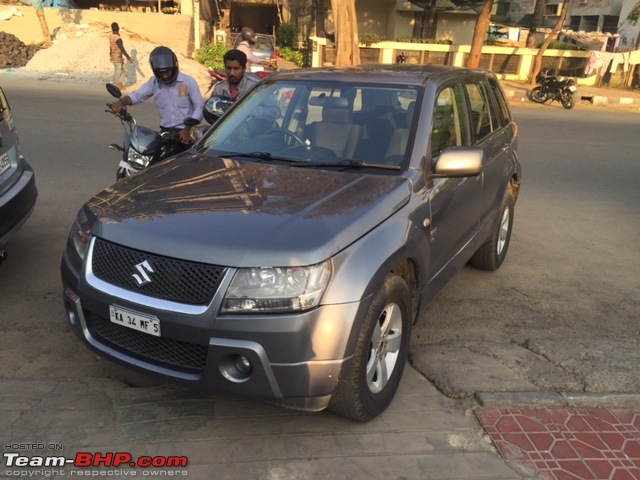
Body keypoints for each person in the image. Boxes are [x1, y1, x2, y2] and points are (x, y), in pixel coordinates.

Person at [110, 46, 204, 146]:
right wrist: (120, 102)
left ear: (174, 66)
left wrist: (187, 128)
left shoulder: (188, 81)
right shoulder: (153, 82)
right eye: (161, 72)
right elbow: (137, 96)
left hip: (187, 132)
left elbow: (199, 107)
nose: (165, 75)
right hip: (166, 132)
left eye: (168, 71)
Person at [109, 22, 133, 90]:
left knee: (125, 71)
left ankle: (119, 83)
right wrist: (128, 57)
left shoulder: (111, 36)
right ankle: (114, 87)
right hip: (117, 58)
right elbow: (122, 48)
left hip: (117, 58)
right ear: (118, 28)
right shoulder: (118, 38)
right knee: (117, 72)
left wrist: (110, 53)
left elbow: (110, 46)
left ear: (112, 29)